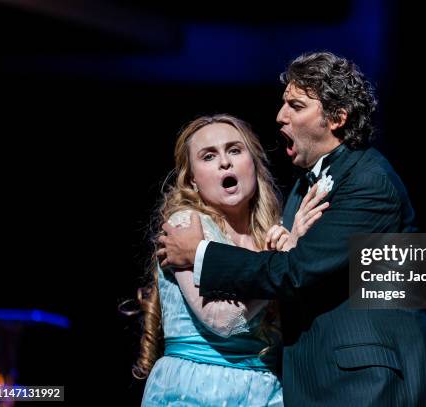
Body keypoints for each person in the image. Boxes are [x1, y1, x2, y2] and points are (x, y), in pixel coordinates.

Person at [158, 52, 426, 406]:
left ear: (336, 118)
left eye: (296, 105)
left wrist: (200, 254)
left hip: (364, 381)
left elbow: (295, 271)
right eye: (283, 104)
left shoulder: (367, 182)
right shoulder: (303, 185)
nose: (280, 116)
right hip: (305, 381)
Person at [136, 114, 327, 406]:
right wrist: (283, 260)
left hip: (265, 391)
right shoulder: (187, 226)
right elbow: (222, 321)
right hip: (198, 388)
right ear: (193, 180)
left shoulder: (272, 234)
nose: (225, 162)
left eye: (235, 150)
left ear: (253, 164)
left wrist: (295, 247)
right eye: (209, 156)